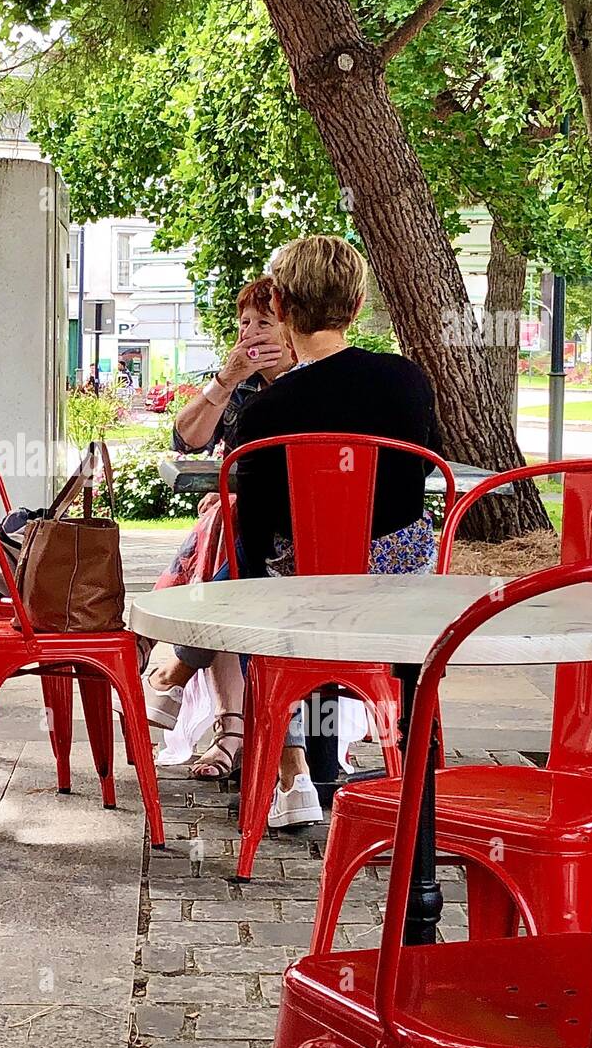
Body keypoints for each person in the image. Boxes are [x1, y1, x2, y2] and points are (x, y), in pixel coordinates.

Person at [186, 234, 442, 826]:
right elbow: (420, 470)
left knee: (248, 575)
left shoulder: (267, 412)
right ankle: (414, 781)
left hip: (304, 599)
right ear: (354, 307)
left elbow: (257, 532)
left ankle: (290, 774)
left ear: (280, 307)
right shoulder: (408, 382)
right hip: (403, 597)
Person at [125, 277, 291, 761]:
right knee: (225, 532)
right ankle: (230, 728)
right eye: (245, 324)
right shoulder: (239, 389)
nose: (253, 334)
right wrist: (227, 380)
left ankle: (166, 666)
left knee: (226, 535)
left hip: (294, 537)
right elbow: (187, 440)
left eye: (266, 322)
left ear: (293, 327)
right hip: (244, 528)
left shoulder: (312, 384)